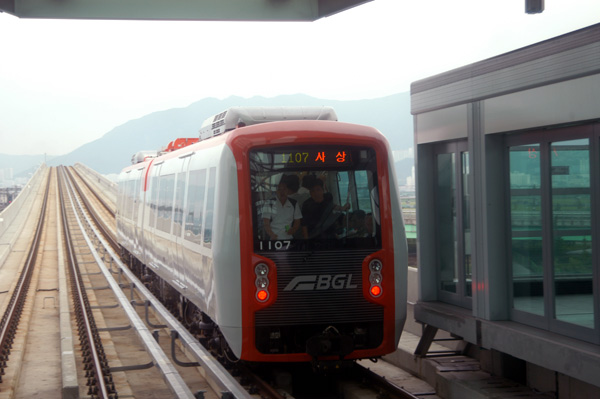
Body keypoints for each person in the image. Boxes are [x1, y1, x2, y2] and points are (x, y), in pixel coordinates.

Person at [261, 175, 302, 240]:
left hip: (289, 238)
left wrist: (293, 229)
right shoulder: (269, 203)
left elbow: (297, 220)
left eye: (284, 189)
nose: (282, 192)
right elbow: (266, 223)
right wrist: (272, 234)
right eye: (279, 189)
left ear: (288, 190)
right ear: (276, 191)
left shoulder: (294, 203)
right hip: (273, 239)